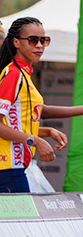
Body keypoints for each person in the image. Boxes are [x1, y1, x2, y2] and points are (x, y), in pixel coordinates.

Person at [0, 17, 68, 192]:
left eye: (44, 40)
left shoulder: (23, 74)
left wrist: (47, 131)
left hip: (14, 168)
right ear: (16, 42)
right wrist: (35, 141)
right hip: (8, 169)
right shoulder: (13, 74)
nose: (39, 45)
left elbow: (14, 125)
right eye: (32, 40)